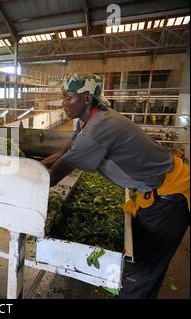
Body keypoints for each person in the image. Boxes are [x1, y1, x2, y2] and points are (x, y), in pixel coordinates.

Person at [41, 73, 189, 299]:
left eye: (69, 98)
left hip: (169, 196)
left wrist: (22, 183)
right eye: (63, 97)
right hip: (154, 190)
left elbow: (55, 176)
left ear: (87, 98)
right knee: (137, 262)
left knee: (140, 272)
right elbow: (63, 153)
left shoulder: (99, 127)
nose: (63, 103)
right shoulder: (88, 120)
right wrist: (28, 166)